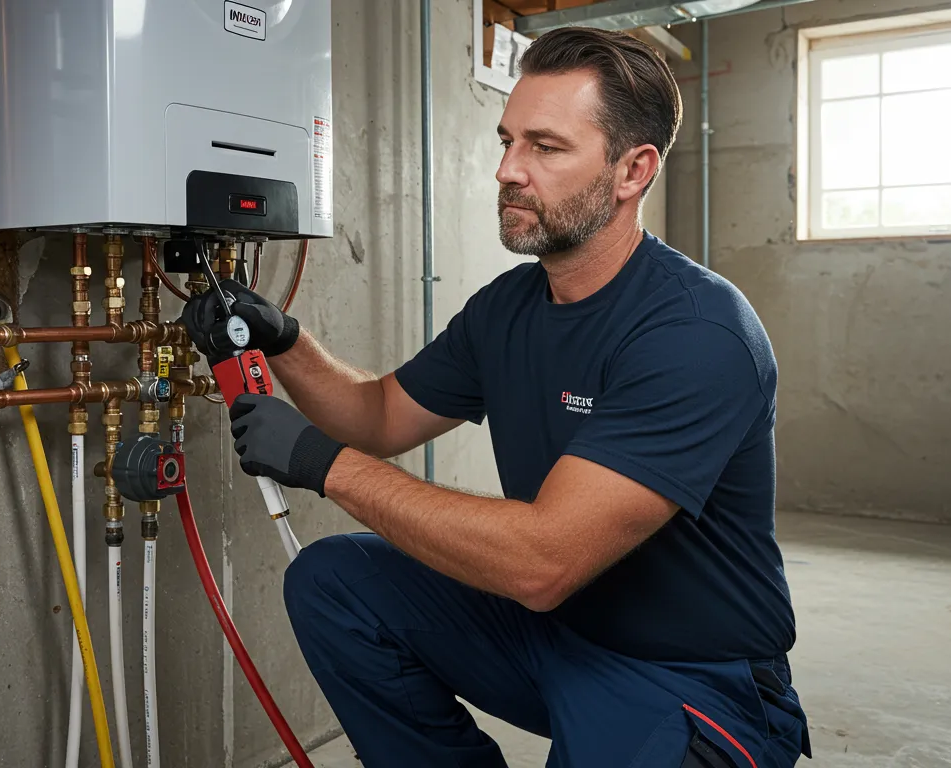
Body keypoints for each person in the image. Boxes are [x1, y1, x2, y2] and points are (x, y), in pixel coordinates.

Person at [180, 26, 811, 768]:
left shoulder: (697, 333)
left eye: (545, 147)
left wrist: (325, 465)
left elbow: (542, 563)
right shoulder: (509, 308)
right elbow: (379, 416)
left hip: (688, 678)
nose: (508, 169)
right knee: (334, 582)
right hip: (556, 638)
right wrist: (285, 339)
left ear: (632, 171)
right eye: (507, 140)